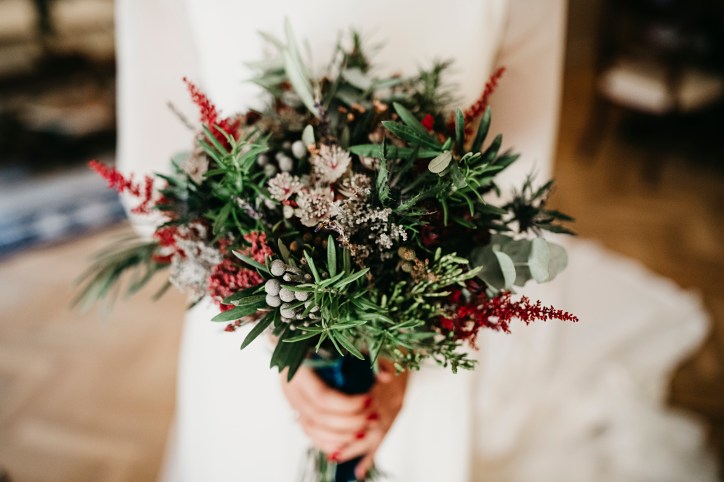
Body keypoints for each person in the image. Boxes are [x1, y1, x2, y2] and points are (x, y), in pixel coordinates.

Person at [116, 1, 718, 480]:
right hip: (246, 322)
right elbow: (156, 173)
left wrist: (398, 354)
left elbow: (515, 181)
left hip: (423, 334)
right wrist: (284, 336)